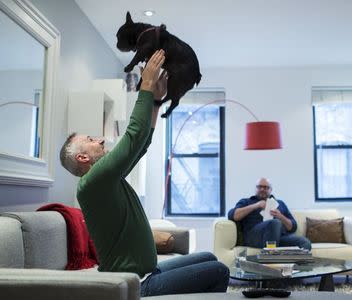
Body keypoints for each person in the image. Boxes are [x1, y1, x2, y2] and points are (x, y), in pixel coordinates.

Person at [59, 50, 229, 297]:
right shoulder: (92, 183)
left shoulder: (108, 180)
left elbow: (141, 144)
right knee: (219, 271)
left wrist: (157, 101)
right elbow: (133, 136)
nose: (100, 140)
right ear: (82, 157)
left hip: (149, 271)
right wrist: (146, 85)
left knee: (208, 257)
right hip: (137, 284)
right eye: (90, 139)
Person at [228, 178, 311, 250]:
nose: (262, 189)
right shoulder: (247, 201)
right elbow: (233, 215)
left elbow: (293, 227)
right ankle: (270, 261)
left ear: (271, 190)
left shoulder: (280, 203)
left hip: (278, 238)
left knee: (305, 242)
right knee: (274, 223)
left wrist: (281, 217)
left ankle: (295, 267)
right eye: (259, 187)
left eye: (266, 187)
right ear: (255, 188)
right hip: (255, 238)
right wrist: (256, 205)